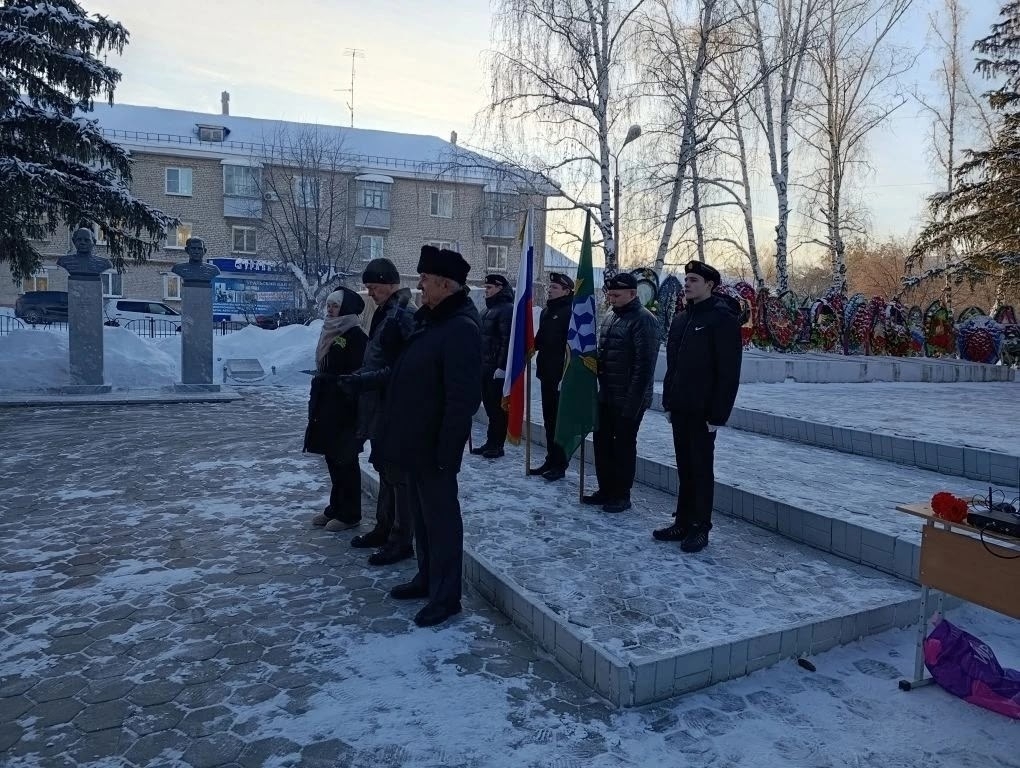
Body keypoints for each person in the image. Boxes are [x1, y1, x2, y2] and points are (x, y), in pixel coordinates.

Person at [371, 246, 481, 628]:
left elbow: (461, 399)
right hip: (415, 441)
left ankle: (446, 597)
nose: (418, 285)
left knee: (442, 522)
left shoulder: (461, 328)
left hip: (435, 446)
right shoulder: (431, 320)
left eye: (424, 279)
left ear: (445, 284)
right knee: (420, 516)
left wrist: (446, 452)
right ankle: (426, 578)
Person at [654, 260, 742, 553]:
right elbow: (673, 365)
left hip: (704, 411)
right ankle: (682, 521)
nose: (687, 283)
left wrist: (718, 414)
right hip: (680, 407)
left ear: (710, 285)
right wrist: (668, 401)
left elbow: (728, 371)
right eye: (686, 278)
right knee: (684, 468)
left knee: (702, 470)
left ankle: (700, 527)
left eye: (693, 279)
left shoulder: (722, 318)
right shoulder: (682, 319)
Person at [337, 258, 419, 566]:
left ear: (390, 284)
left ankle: (401, 539)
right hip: (379, 403)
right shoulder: (387, 312)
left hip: (395, 406)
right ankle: (384, 528)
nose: (370, 293)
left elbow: (402, 368)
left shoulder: (404, 315)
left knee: (398, 476)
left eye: (374, 287)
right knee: (385, 469)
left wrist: (364, 379)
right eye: (369, 288)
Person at [582, 272, 660, 514]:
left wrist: (632, 405)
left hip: (628, 399)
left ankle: (621, 494)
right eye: (609, 294)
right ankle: (605, 489)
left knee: (623, 447)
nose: (611, 298)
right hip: (606, 395)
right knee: (602, 444)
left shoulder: (644, 320)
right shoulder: (609, 316)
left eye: (616, 295)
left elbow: (643, 366)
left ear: (632, 294)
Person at [306, 287, 369, 532]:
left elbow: (356, 371)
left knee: (345, 459)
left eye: (335, 306)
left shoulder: (355, 335)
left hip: (345, 407)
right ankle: (336, 506)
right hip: (328, 404)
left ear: (347, 309)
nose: (330, 310)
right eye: (329, 305)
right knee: (332, 458)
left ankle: (350, 513)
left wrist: (338, 384)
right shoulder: (330, 330)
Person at [529, 272, 574, 481]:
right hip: (546, 374)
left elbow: (573, 348)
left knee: (559, 422)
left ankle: (560, 463)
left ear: (566, 291)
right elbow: (540, 340)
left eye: (555, 287)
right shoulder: (548, 311)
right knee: (549, 421)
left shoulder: (570, 312)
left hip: (562, 377)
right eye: (550, 287)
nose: (550, 289)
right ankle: (551, 459)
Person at [471, 273, 513, 459]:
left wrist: (502, 367)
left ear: (500, 288)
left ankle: (497, 445)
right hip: (484, 367)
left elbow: (507, 340)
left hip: (496, 369)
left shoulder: (506, 310)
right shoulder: (487, 310)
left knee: (498, 410)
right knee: (489, 407)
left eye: (489, 288)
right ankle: (490, 442)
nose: (486, 291)